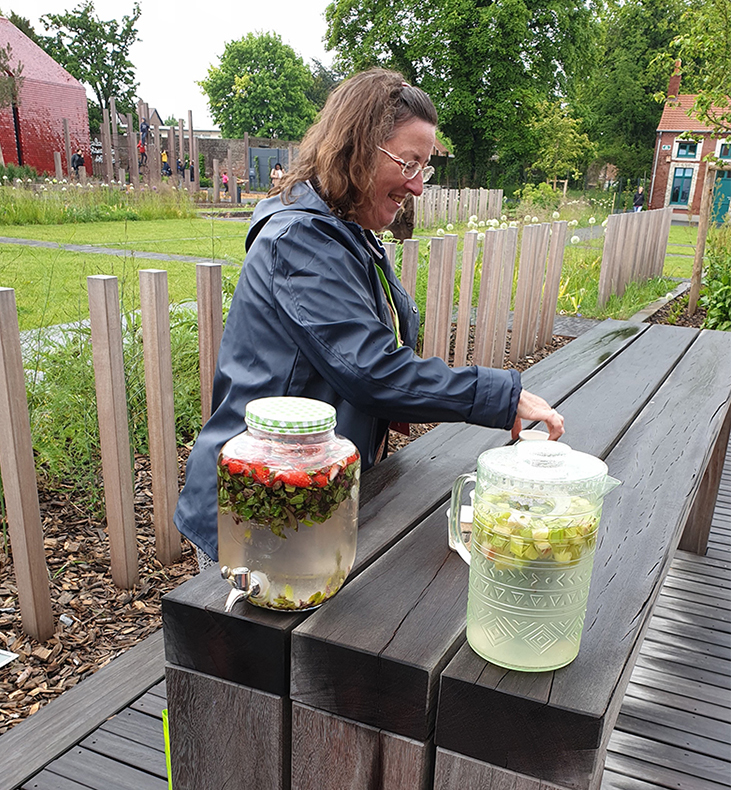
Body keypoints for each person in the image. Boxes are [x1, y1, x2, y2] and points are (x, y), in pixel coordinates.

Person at [173, 69, 566, 570]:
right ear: (357, 148)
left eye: (426, 167)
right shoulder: (301, 242)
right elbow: (369, 369)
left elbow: (349, 354)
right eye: (409, 162)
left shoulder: (344, 231)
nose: (418, 185)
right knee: (255, 646)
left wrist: (387, 410)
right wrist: (499, 397)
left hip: (301, 496)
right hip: (257, 507)